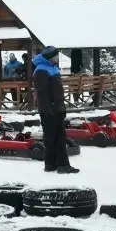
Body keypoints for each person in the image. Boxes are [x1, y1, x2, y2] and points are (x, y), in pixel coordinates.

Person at [33, 45, 77, 174]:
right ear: (51, 57)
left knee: (59, 137)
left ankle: (53, 164)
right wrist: (47, 111)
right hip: (49, 110)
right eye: (56, 55)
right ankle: (60, 165)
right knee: (53, 137)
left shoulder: (53, 68)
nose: (58, 57)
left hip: (57, 108)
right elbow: (42, 93)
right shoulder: (41, 70)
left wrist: (61, 108)